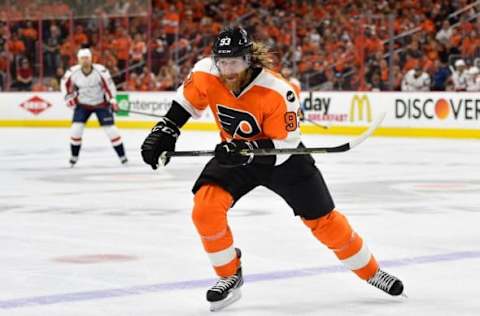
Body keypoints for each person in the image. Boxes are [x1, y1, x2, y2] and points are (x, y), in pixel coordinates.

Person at [140, 27, 404, 311]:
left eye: (236, 63)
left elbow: (282, 144)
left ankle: (372, 272)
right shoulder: (206, 72)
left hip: (282, 159)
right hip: (235, 154)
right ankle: (229, 275)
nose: (228, 71)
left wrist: (246, 151)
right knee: (205, 208)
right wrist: (166, 129)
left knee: (324, 222)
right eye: (223, 62)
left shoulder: (278, 91)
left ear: (250, 60)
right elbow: (186, 102)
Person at [60, 48, 127, 167]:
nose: (85, 61)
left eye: (87, 58)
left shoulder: (101, 70)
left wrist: (113, 101)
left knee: (112, 131)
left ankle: (123, 157)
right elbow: (64, 86)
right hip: (82, 105)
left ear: (91, 59)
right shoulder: (72, 72)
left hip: (101, 104)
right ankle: (74, 157)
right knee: (76, 130)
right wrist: (68, 98)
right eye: (82, 58)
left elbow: (109, 87)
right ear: (78, 60)